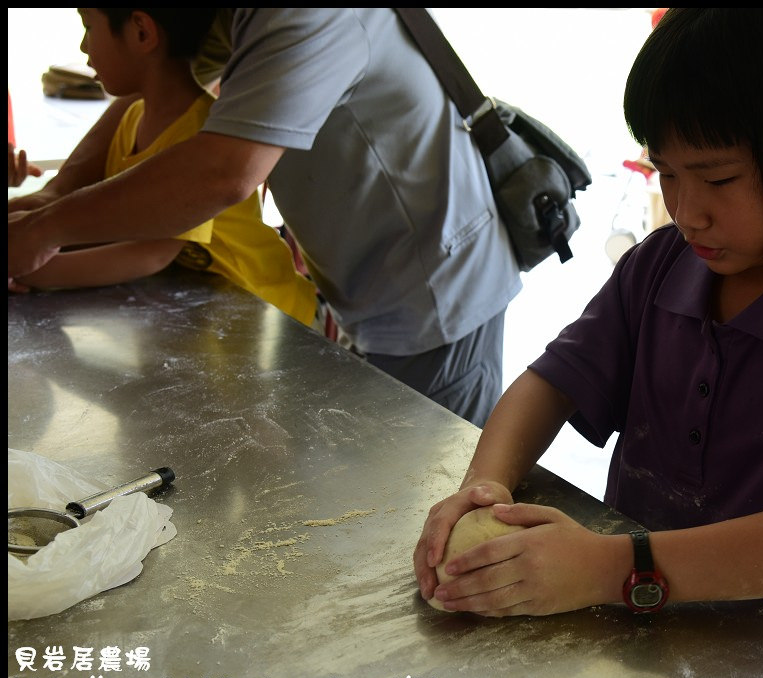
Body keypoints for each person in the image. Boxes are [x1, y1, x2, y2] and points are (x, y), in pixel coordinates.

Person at [413, 8, 763, 650]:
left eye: (718, 178)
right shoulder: (663, 262)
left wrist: (614, 567)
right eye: (666, 174)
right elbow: (552, 382)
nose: (687, 210)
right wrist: (486, 486)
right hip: (619, 628)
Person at [8, 8, 522, 428]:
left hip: (435, 292)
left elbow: (224, 171)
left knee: (436, 495)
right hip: (359, 288)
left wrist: (45, 232)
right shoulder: (235, 16)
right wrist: (54, 195)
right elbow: (165, 81)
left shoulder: (305, 13)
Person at [9, 8, 320, 330]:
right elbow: (103, 225)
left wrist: (31, 268)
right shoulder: (132, 119)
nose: (84, 47)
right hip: (209, 313)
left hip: (272, 316)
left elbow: (151, 254)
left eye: (89, 27)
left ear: (142, 32)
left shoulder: (197, 134)